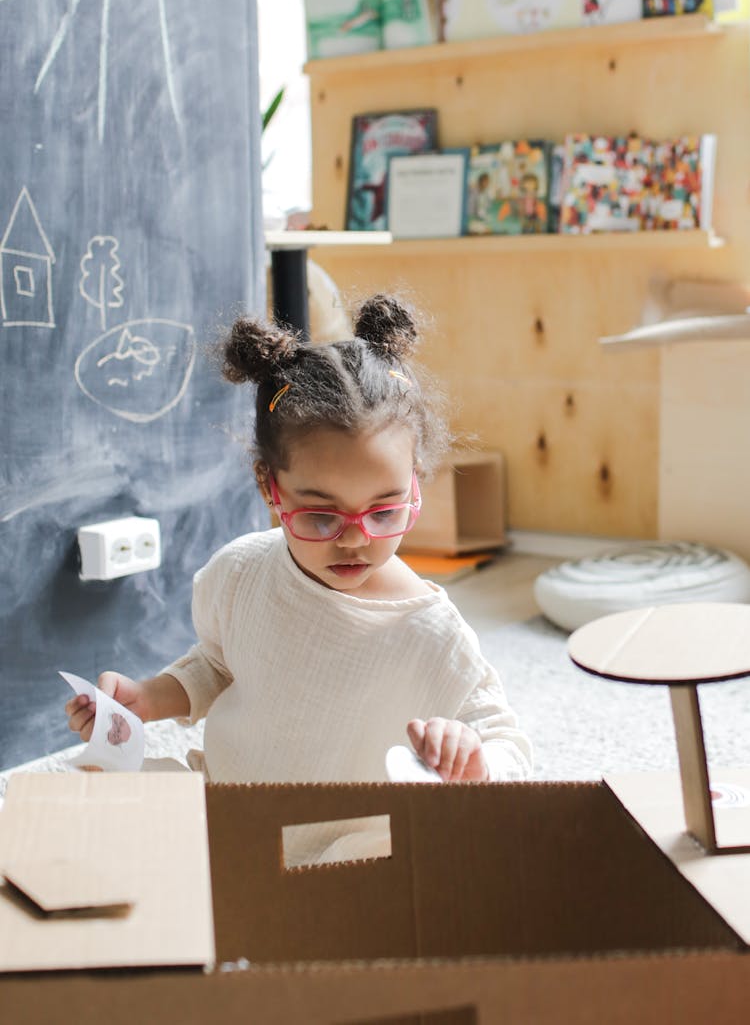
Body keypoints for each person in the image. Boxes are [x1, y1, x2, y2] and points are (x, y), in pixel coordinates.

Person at [66, 294, 531, 856]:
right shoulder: (241, 573)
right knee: (95, 809)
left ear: (416, 482)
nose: (356, 539)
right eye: (320, 515)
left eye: (384, 511)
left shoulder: (433, 634)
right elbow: (218, 663)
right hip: (228, 811)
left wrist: (473, 758)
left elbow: (508, 745)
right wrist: (148, 698)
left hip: (340, 851)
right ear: (270, 488)